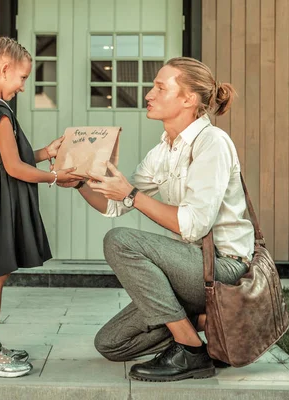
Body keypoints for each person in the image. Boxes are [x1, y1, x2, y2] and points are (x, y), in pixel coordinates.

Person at [62, 57, 254, 382]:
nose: (149, 94)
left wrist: (132, 195)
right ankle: (202, 322)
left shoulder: (213, 144)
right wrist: (81, 182)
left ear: (188, 99)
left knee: (119, 241)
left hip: (224, 270)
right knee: (111, 343)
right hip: (190, 270)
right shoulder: (164, 149)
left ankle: (191, 349)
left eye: (160, 87)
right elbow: (115, 206)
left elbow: (192, 225)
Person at [0, 37, 77, 378]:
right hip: (6, 200)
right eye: (22, 77)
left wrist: (46, 151)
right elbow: (13, 168)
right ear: (3, 69)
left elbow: (10, 158)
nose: (24, 86)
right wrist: (55, 177)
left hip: (4, 198)